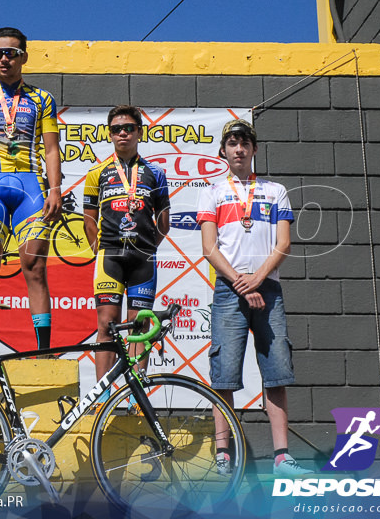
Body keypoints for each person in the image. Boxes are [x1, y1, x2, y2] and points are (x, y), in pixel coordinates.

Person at [196, 119, 311, 477]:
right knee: (224, 373)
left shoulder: (275, 190)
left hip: (268, 289)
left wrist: (257, 281)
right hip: (229, 290)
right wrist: (242, 284)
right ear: (223, 151)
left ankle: (281, 457)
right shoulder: (212, 192)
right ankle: (222, 454)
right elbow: (209, 248)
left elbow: (284, 245)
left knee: (276, 371)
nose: (239, 148)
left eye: (245, 142)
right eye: (232, 143)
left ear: (255, 149)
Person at [0, 27, 62, 353]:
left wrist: (55, 190)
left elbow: (51, 149)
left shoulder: (42, 99)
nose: (4, 59)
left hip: (30, 185)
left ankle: (43, 351)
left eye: (11, 53)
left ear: (24, 57)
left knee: (35, 267)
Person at [83, 106, 170, 383]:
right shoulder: (96, 172)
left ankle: (135, 397)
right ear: (109, 134)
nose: (123, 133)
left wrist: (148, 245)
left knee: (140, 327)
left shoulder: (156, 173)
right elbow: (88, 218)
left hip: (142, 259)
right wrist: (100, 247)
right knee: (106, 326)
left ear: (139, 133)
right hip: (110, 257)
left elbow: (164, 222)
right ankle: (102, 396)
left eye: (129, 128)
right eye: (116, 129)